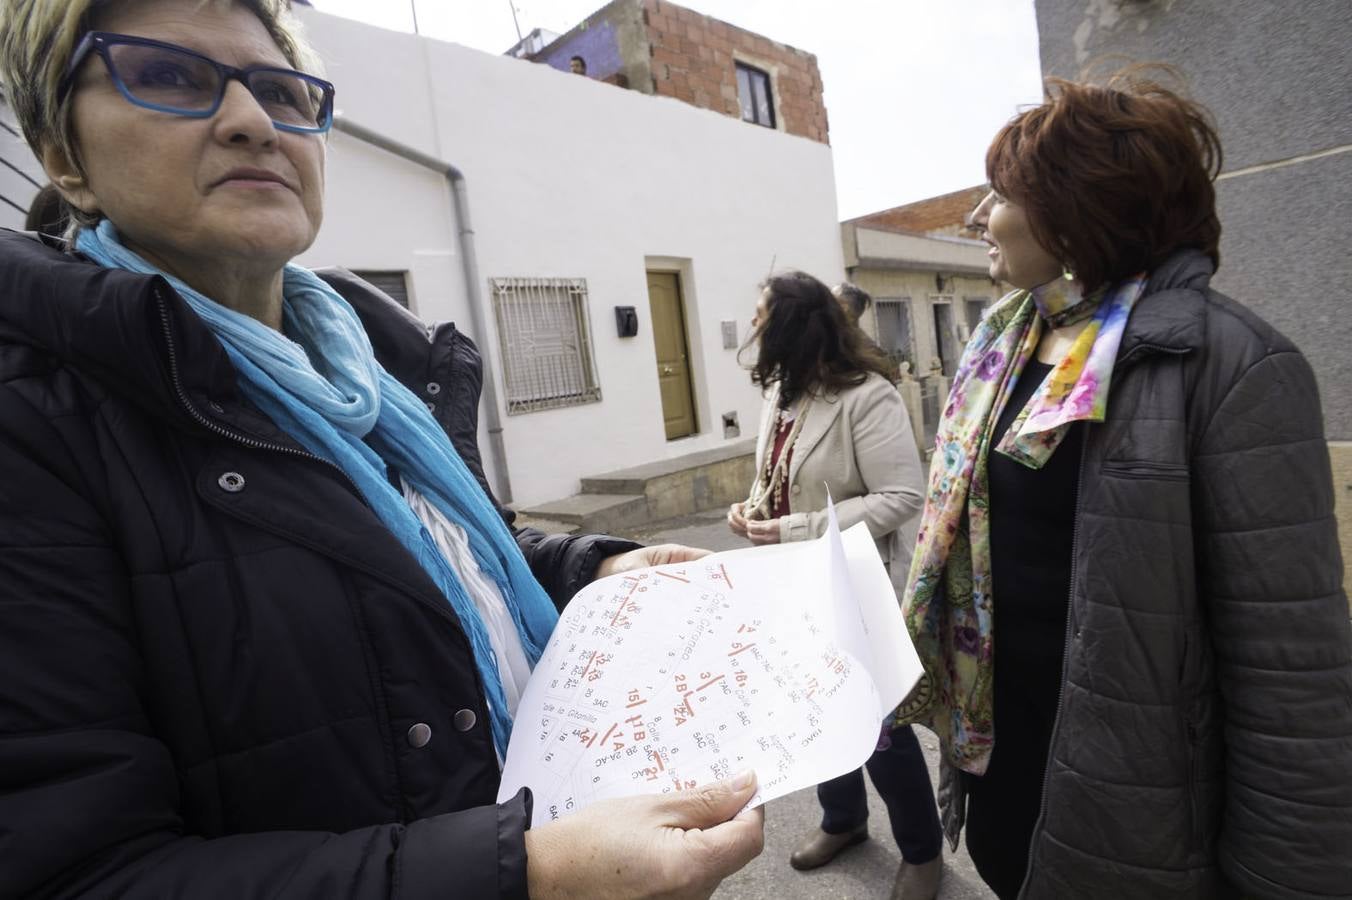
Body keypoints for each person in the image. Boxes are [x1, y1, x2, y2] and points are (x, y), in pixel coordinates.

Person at [0, 1, 765, 896]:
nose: (252, 121)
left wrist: (581, 574)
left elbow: (427, 575)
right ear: (64, 157)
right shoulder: (34, 429)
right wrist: (522, 878)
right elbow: (75, 874)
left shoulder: (385, 375)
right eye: (168, 76)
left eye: (283, 91)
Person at [894, 70, 1352, 898]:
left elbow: (1290, 681)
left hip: (1139, 815)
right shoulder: (1002, 350)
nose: (977, 219)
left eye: (999, 193)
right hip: (1009, 770)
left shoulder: (1232, 365)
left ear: (1077, 210)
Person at [727, 271, 942, 900]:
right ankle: (843, 820)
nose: (754, 328)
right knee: (818, 713)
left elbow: (903, 496)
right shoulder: (783, 395)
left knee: (879, 728)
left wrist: (802, 527)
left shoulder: (866, 396)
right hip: (793, 585)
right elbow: (776, 475)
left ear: (795, 326)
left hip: (856, 586)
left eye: (763, 316)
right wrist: (749, 507)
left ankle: (922, 852)